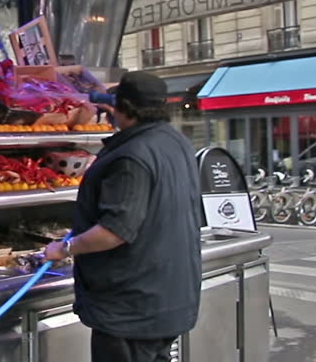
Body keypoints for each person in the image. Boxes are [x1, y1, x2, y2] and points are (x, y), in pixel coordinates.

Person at [45, 71, 202, 362]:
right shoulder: (176, 142)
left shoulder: (131, 157)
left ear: (124, 108)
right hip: (167, 296)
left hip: (131, 308)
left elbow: (114, 231)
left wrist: (63, 248)